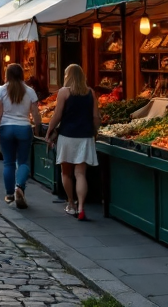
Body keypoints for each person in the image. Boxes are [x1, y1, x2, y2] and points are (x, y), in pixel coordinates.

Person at [46, 64, 101, 220]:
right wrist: (95, 131)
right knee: (81, 173)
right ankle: (82, 207)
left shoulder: (64, 92)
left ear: (67, 76)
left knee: (66, 173)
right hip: (85, 137)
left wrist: (49, 131)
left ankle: (71, 203)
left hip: (67, 136)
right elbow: (96, 117)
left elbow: (57, 115)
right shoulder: (90, 92)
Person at [0, 63, 42, 209]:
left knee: (8, 162)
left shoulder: (1, 90)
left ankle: (9, 194)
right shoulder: (30, 91)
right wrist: (37, 129)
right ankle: (19, 186)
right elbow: (36, 114)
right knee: (23, 162)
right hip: (24, 128)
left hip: (6, 128)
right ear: (22, 75)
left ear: (7, 75)